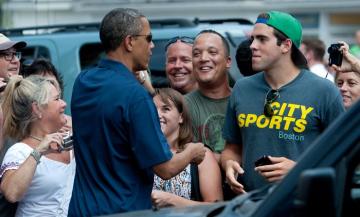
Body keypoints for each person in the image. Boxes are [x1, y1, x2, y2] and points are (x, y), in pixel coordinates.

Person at [68, 8, 206, 216]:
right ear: (129, 41)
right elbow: (165, 168)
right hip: (122, 210)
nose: (152, 46)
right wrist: (193, 152)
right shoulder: (135, 97)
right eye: (148, 38)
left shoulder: (83, 82)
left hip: (81, 209)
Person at [221, 11, 344, 194]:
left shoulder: (324, 91)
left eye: (262, 39)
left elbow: (343, 154)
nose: (252, 46)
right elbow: (231, 148)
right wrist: (229, 164)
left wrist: (300, 169)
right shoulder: (242, 88)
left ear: (286, 45)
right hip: (249, 205)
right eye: (253, 39)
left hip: (301, 203)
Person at [0, 75, 75, 217]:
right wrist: (38, 151)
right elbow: (11, 193)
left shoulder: (70, 137)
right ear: (37, 109)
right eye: (57, 99)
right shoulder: (19, 151)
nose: (64, 103)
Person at [151, 88, 222, 208]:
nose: (157, 114)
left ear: (181, 117)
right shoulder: (141, 153)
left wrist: (170, 200)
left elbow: (216, 207)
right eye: (152, 110)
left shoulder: (200, 153)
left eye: (166, 109)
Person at [185, 29, 232, 161]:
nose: (203, 58)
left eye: (212, 52)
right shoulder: (183, 107)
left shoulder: (243, 100)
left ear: (228, 62)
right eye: (196, 54)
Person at [0, 33, 26, 217]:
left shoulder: (22, 93)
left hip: (24, 186)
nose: (15, 60)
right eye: (6, 55)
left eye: (16, 54)